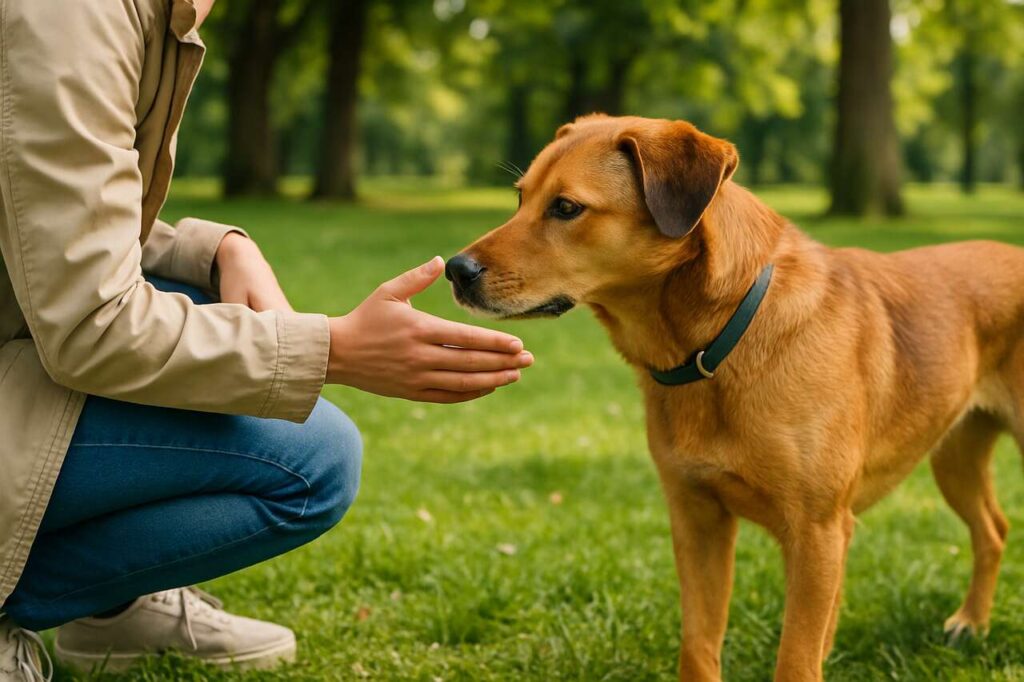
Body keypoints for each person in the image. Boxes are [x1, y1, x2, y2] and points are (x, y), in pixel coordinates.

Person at [0, 0, 533, 678]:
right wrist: (333, 348)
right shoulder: (74, 13)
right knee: (314, 463)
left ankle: (111, 606)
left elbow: (44, 209)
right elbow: (89, 325)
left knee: (208, 310)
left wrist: (214, 249)